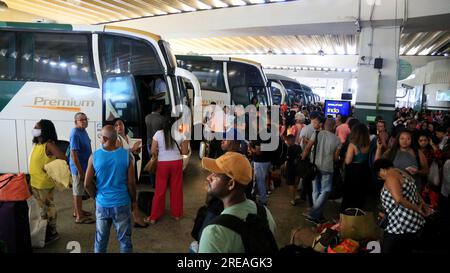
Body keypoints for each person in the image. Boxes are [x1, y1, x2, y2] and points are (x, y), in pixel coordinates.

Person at [199, 152, 276, 253]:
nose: (208, 177)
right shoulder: (265, 213)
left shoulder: (213, 233)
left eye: (215, 174)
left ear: (230, 184)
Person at [84, 125, 136, 253]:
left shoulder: (94, 156)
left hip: (102, 204)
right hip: (122, 203)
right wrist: (133, 201)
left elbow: (86, 183)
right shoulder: (126, 155)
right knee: (125, 240)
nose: (100, 138)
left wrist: (95, 196)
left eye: (101, 136)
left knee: (101, 240)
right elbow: (131, 183)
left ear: (105, 139)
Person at [373, 159, 430, 253]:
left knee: (387, 249)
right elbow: (415, 190)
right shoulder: (401, 172)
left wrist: (418, 208)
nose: (380, 178)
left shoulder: (390, 177)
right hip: (413, 220)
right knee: (405, 248)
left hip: (400, 223)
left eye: (379, 175)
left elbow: (399, 199)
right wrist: (422, 204)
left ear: (382, 170)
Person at [145, 117, 189, 224]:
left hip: (162, 164)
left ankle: (154, 216)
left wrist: (161, 153)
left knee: (160, 190)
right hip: (176, 163)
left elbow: (153, 151)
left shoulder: (158, 134)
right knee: (176, 189)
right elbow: (184, 151)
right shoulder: (181, 133)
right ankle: (177, 214)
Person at [29, 119, 67, 244]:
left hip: (44, 184)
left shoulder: (49, 145)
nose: (34, 129)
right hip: (35, 182)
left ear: (45, 130)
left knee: (48, 209)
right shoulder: (37, 144)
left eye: (37, 127)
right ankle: (44, 232)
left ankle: (52, 233)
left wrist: (50, 168)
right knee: (42, 210)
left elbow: (63, 158)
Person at [301, 117, 341, 224]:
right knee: (325, 191)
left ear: (324, 125)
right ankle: (314, 214)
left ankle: (316, 215)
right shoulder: (337, 140)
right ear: (334, 127)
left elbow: (308, 147)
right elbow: (335, 158)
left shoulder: (317, 133)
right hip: (328, 168)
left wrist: (302, 158)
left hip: (315, 167)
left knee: (315, 191)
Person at [112, 118, 147, 228]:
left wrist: (136, 150)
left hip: (130, 167)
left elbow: (129, 150)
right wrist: (133, 149)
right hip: (123, 169)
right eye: (116, 125)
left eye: (121, 124)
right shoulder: (117, 139)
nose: (119, 127)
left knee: (131, 192)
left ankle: (133, 216)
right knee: (131, 192)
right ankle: (137, 218)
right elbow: (119, 153)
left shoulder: (126, 137)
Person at [69, 112, 95, 224]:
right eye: (81, 120)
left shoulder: (83, 131)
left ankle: (77, 211)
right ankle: (79, 217)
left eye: (85, 119)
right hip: (78, 168)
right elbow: (73, 155)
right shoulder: (75, 133)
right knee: (78, 191)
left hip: (85, 165)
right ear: (76, 122)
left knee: (79, 190)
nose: (84, 121)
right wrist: (80, 172)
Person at [340, 123, 371, 211]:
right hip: (364, 170)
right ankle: (357, 213)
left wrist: (346, 155)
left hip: (353, 171)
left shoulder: (352, 145)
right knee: (360, 193)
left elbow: (348, 161)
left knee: (349, 193)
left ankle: (346, 214)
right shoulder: (368, 144)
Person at [285, 134, 302, 206]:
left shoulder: (289, 148)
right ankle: (296, 195)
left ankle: (293, 199)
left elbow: (287, 159)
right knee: (296, 182)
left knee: (291, 184)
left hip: (290, 168)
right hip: (298, 168)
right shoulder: (299, 147)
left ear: (289, 141)